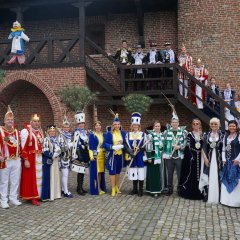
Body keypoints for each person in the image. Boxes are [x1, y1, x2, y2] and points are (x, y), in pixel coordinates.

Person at [20, 114, 44, 206]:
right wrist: (26, 159)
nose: (36, 123)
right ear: (31, 122)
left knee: (39, 177)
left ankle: (38, 194)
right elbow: (23, 148)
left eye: (38, 121)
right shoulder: (26, 131)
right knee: (31, 178)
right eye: (34, 121)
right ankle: (32, 197)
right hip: (31, 158)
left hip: (39, 158)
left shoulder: (40, 132)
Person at [0, 106, 21, 209]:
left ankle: (13, 198)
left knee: (15, 180)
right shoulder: (0, 130)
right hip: (5, 160)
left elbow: (20, 144)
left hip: (16, 159)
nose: (10, 121)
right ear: (4, 120)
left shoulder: (16, 131)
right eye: (8, 119)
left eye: (11, 119)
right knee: (4, 181)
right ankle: (3, 200)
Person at [199, 118, 224, 203]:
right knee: (208, 175)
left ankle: (219, 196)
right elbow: (203, 147)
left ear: (219, 125)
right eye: (212, 124)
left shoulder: (222, 135)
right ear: (210, 125)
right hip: (209, 158)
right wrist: (205, 158)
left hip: (218, 160)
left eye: (215, 124)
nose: (214, 125)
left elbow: (224, 148)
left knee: (218, 176)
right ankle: (207, 195)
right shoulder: (206, 134)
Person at [163, 111, 187, 196]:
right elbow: (163, 143)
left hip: (179, 156)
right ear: (171, 123)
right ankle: (170, 189)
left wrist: (180, 147)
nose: (174, 124)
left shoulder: (184, 132)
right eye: (173, 122)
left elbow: (186, 142)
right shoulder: (166, 133)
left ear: (178, 123)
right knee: (169, 173)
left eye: (176, 122)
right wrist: (169, 146)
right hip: (170, 156)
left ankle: (179, 189)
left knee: (180, 174)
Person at [179, 119, 204, 200]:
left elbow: (205, 146)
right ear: (192, 125)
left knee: (200, 173)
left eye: (197, 124)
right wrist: (178, 147)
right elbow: (185, 145)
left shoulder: (203, 134)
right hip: (192, 157)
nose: (196, 125)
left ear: (200, 125)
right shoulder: (189, 135)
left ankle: (201, 190)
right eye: (194, 124)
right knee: (191, 173)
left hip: (201, 157)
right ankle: (191, 191)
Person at [103, 112, 126, 197]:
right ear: (113, 125)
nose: (117, 126)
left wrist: (123, 146)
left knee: (118, 171)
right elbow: (105, 144)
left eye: (118, 124)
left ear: (120, 125)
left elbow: (126, 143)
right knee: (112, 171)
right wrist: (112, 147)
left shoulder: (123, 133)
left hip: (120, 155)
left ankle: (116, 186)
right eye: (115, 124)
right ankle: (112, 188)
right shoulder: (109, 134)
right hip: (112, 155)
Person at [125, 112, 147, 197]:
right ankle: (135, 189)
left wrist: (142, 148)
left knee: (140, 172)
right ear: (132, 125)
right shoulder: (128, 135)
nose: (135, 127)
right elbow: (126, 145)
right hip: (132, 156)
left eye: (136, 125)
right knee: (134, 171)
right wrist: (130, 152)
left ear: (139, 126)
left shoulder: (143, 134)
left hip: (140, 156)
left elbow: (146, 145)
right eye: (134, 125)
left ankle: (140, 190)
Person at [220, 120, 240, 207]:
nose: (232, 127)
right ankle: (226, 201)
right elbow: (224, 149)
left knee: (235, 179)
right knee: (226, 178)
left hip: (236, 162)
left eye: (233, 126)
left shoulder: (239, 136)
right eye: (230, 126)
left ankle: (235, 202)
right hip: (227, 162)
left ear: (236, 127)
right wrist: (223, 159)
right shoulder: (226, 136)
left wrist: (238, 159)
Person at [146, 121, 168, 197]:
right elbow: (148, 147)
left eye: (158, 126)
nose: (157, 128)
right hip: (154, 157)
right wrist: (149, 157)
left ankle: (161, 188)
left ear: (160, 127)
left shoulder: (162, 135)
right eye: (156, 126)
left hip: (162, 157)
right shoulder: (150, 135)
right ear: (153, 127)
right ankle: (154, 190)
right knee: (154, 174)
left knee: (161, 173)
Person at [72, 111, 90, 195]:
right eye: (80, 124)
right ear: (78, 124)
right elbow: (76, 145)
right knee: (80, 171)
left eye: (82, 123)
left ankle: (80, 187)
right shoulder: (77, 132)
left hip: (85, 154)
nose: (81, 125)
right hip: (80, 154)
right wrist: (78, 155)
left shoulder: (85, 133)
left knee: (83, 172)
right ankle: (79, 188)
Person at [42, 125, 61, 201]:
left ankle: (56, 194)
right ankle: (48, 195)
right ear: (48, 132)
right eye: (51, 131)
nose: (52, 133)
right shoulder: (46, 139)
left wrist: (58, 153)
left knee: (55, 176)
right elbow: (44, 150)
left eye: (54, 131)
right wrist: (52, 155)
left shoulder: (56, 140)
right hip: (50, 161)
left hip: (56, 160)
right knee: (49, 177)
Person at [89, 121, 106, 195]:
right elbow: (91, 146)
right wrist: (92, 155)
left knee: (101, 172)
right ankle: (96, 189)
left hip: (102, 155)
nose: (98, 127)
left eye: (99, 125)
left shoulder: (103, 135)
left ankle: (100, 187)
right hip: (96, 156)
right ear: (94, 127)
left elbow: (104, 144)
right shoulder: (92, 135)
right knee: (96, 172)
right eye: (97, 125)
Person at [58, 115, 73, 198]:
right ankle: (66, 191)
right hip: (63, 158)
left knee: (66, 174)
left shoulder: (69, 136)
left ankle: (64, 189)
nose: (66, 128)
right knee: (65, 175)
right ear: (62, 128)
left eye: (67, 127)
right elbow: (61, 148)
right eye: (65, 127)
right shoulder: (61, 136)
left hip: (69, 158)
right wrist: (69, 145)